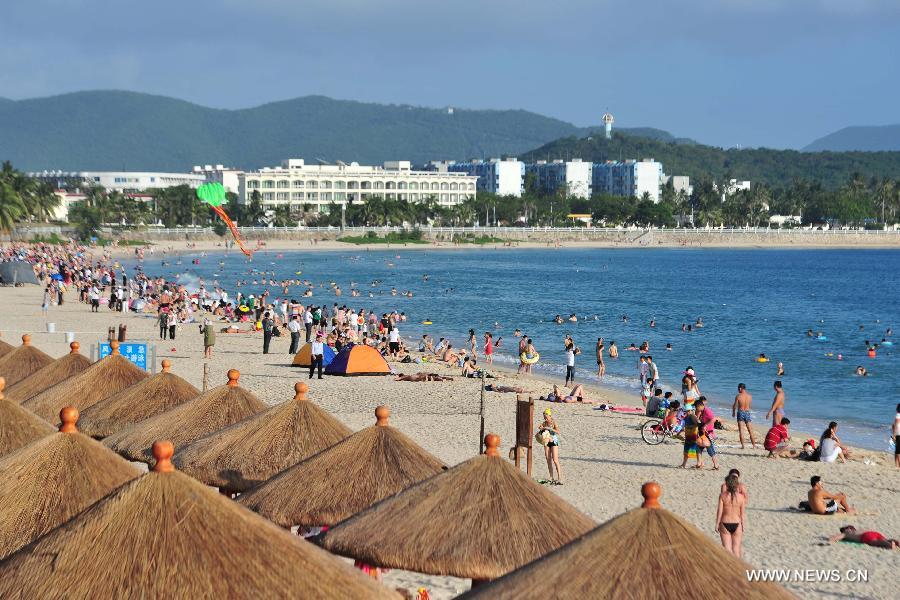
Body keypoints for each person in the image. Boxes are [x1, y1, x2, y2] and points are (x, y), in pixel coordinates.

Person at [716, 473, 746, 558]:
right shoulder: (741, 497)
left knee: (727, 549)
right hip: (737, 523)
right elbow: (742, 513)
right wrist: (743, 524)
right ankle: (737, 568)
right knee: (736, 549)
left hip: (725, 522)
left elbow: (720, 511)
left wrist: (717, 523)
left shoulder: (722, 496)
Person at [538, 408, 563, 485]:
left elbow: (558, 432)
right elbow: (541, 430)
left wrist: (549, 428)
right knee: (548, 459)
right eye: (544, 417)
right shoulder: (544, 423)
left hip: (554, 441)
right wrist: (541, 428)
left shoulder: (553, 422)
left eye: (546, 417)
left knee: (555, 460)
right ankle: (551, 477)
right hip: (546, 441)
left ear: (550, 415)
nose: (545, 418)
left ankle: (560, 478)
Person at [696, 397, 720, 470]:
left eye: (697, 407)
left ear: (701, 406)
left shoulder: (707, 411)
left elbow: (713, 419)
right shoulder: (702, 411)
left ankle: (716, 465)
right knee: (699, 448)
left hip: (709, 433)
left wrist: (706, 425)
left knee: (710, 450)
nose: (696, 409)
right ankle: (699, 463)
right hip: (703, 433)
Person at [827, 526, 899, 550]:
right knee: (885, 540)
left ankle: (890, 545)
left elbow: (837, 537)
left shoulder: (847, 533)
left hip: (866, 535)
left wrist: (830, 540)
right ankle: (896, 542)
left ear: (847, 529)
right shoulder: (859, 529)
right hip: (874, 532)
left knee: (874, 542)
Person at [732, 383, 757, 449]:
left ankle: (743, 446)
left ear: (740, 388)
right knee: (750, 430)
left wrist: (733, 412)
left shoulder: (738, 396)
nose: (738, 390)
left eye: (738, 388)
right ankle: (754, 446)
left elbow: (735, 406)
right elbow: (749, 405)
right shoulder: (750, 396)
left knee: (741, 430)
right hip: (747, 412)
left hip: (740, 412)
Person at [894, 403, 900, 469]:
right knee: (896, 450)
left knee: (898, 450)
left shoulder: (898, 415)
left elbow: (896, 424)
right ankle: (896, 465)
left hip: (898, 434)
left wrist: (894, 434)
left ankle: (898, 465)